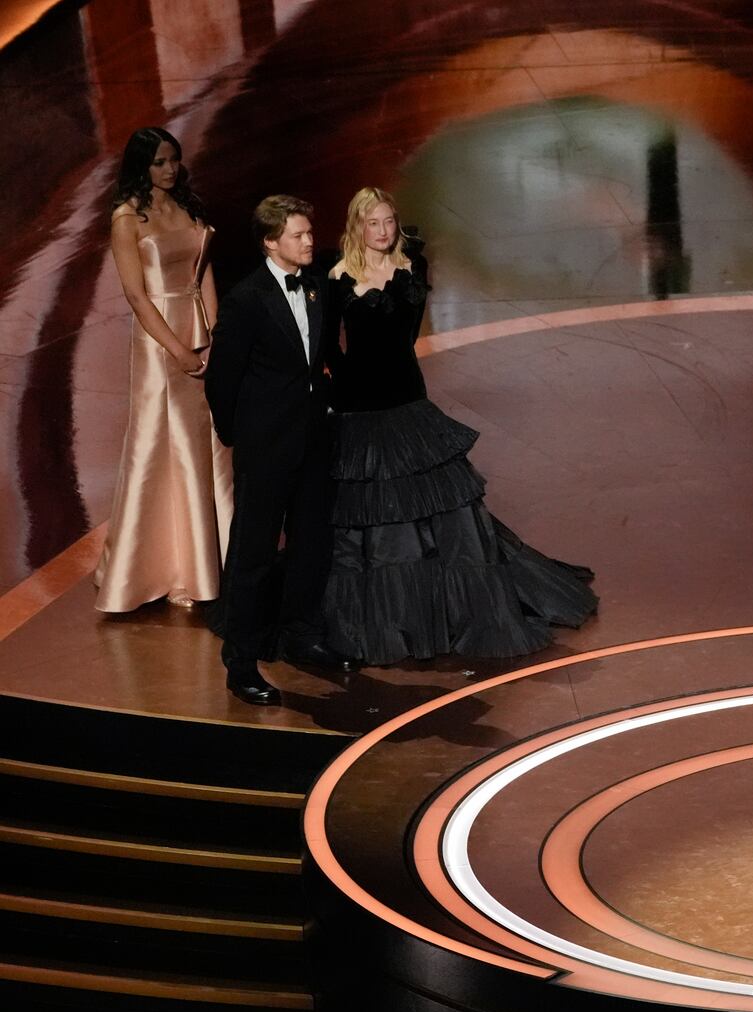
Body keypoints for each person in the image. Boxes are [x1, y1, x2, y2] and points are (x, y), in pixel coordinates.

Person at [321, 188, 596, 665]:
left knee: (443, 509)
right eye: (374, 224)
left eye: (389, 221)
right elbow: (329, 348)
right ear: (356, 227)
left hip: (407, 398)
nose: (384, 231)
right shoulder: (337, 277)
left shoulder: (413, 267)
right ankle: (392, 615)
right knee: (372, 517)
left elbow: (407, 335)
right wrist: (340, 396)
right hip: (359, 407)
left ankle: (451, 609)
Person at [206, 196, 354, 705]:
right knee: (254, 554)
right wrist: (240, 437)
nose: (310, 241)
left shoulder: (315, 286)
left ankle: (301, 635)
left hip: (313, 441)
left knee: (312, 544)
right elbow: (221, 380)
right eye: (298, 235)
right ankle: (241, 662)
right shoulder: (246, 300)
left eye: (310, 232)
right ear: (271, 242)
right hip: (266, 448)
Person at [94, 127, 231, 612]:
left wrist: (216, 339)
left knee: (210, 447)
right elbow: (136, 296)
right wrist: (178, 351)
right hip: (160, 343)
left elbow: (204, 273)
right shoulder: (127, 219)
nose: (169, 169)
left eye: (173, 159)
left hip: (200, 334)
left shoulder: (189, 207)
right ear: (140, 166)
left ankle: (214, 561)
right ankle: (164, 568)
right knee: (160, 448)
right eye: (158, 162)